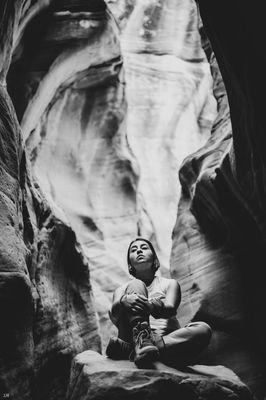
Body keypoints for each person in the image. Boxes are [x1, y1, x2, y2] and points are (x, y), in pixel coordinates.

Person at [106, 237, 212, 368]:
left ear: (155, 259)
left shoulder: (169, 284)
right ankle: (142, 343)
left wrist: (151, 307)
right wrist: (123, 301)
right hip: (132, 338)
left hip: (166, 342)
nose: (139, 251)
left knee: (203, 330)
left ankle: (134, 350)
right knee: (136, 284)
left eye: (144, 248)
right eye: (134, 250)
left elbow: (170, 309)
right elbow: (114, 315)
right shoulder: (121, 290)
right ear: (130, 265)